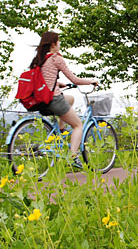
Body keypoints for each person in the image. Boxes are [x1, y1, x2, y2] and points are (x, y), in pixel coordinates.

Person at [30, 31, 98, 168]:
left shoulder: (40, 59)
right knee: (78, 125)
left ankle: (60, 129)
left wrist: (57, 84)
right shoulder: (56, 59)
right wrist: (91, 81)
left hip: (42, 101)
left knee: (70, 99)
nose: (60, 44)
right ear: (54, 44)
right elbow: (74, 79)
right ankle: (73, 157)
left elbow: (43, 80)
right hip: (54, 99)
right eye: (59, 41)